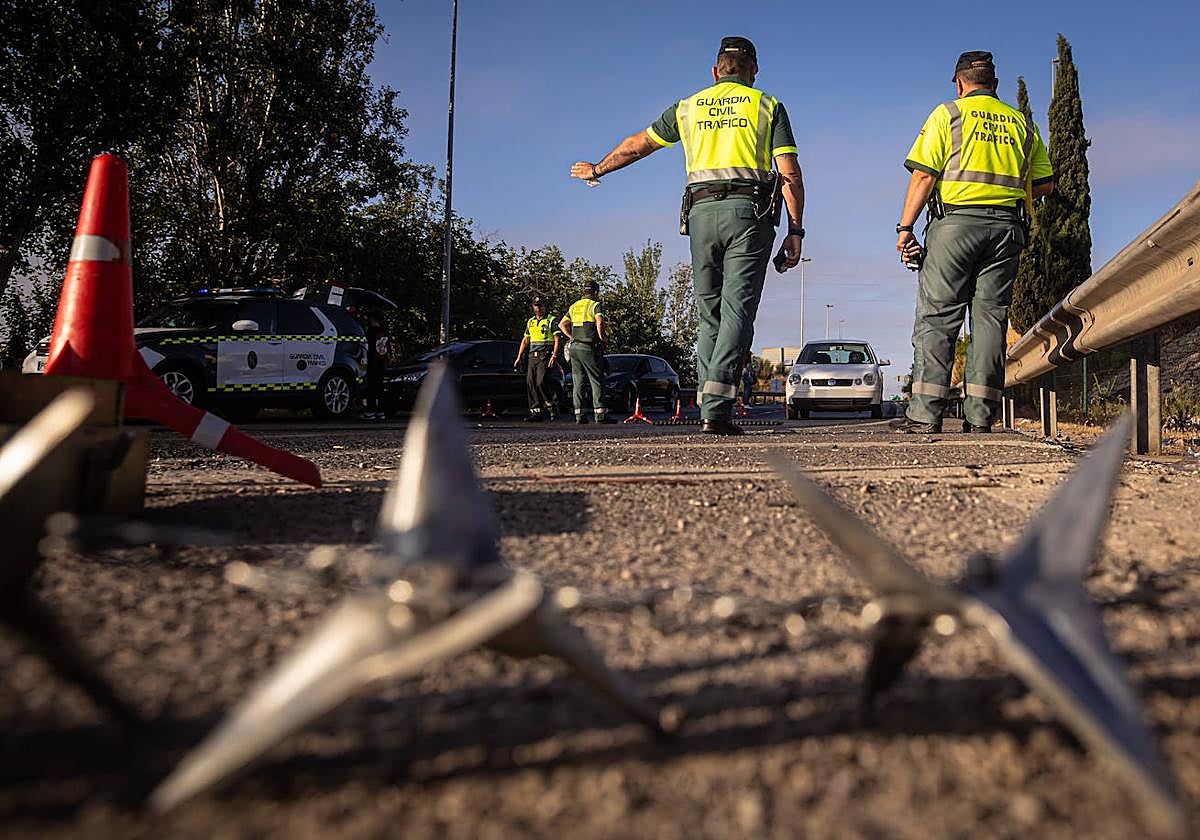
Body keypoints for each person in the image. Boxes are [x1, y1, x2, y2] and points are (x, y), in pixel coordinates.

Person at [571, 36, 805, 435]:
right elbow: (789, 172)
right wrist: (796, 230)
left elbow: (636, 145)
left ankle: (707, 400)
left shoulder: (687, 107)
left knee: (708, 309)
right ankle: (717, 406)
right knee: (737, 311)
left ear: (715, 73)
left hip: (700, 215)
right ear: (753, 72)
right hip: (749, 215)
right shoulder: (767, 105)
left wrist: (597, 169)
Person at [892, 51, 1054, 434]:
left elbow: (923, 177)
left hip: (955, 226)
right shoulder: (1022, 125)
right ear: (994, 85)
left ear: (960, 83)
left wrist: (905, 227)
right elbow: (1045, 183)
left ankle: (925, 414)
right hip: (1006, 231)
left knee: (938, 318)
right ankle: (981, 416)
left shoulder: (948, 114)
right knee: (990, 320)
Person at [559, 281, 612, 424]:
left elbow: (562, 324)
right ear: (595, 292)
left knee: (578, 381)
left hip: (574, 347)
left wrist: (571, 337)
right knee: (596, 379)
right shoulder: (595, 305)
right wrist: (603, 338)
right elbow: (599, 322)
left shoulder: (574, 306)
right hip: (588, 347)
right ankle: (600, 414)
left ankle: (579, 415)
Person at [513, 294, 562, 421]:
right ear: (533, 307)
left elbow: (557, 339)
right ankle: (536, 412)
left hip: (544, 356)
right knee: (531, 384)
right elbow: (525, 340)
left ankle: (551, 405)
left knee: (541, 382)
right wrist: (519, 357)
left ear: (545, 307)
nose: (538, 308)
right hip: (532, 357)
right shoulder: (531, 322)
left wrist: (554, 355)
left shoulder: (551, 320)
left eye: (540, 306)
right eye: (536, 306)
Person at [362, 310, 389, 420]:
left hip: (372, 361)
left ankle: (370, 411)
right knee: (380, 387)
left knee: (371, 387)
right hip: (382, 361)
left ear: (372, 319)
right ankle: (380, 411)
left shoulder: (370, 332)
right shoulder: (384, 331)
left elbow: (366, 346)